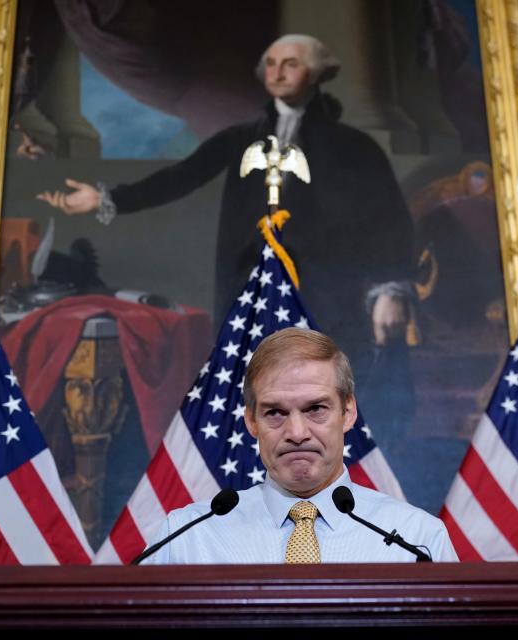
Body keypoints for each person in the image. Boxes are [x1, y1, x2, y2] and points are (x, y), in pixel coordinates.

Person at [37, 34, 416, 370]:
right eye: (271, 64)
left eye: (291, 64)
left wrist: (390, 291)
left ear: (316, 74)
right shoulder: (240, 139)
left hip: (328, 292)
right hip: (251, 286)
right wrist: (107, 198)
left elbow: (388, 220)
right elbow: (180, 178)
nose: (278, 72)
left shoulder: (354, 147)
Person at [140, 327, 457, 564]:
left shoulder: (418, 541)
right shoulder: (184, 539)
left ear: (348, 413)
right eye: (275, 412)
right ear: (251, 421)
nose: (296, 432)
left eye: (315, 409)